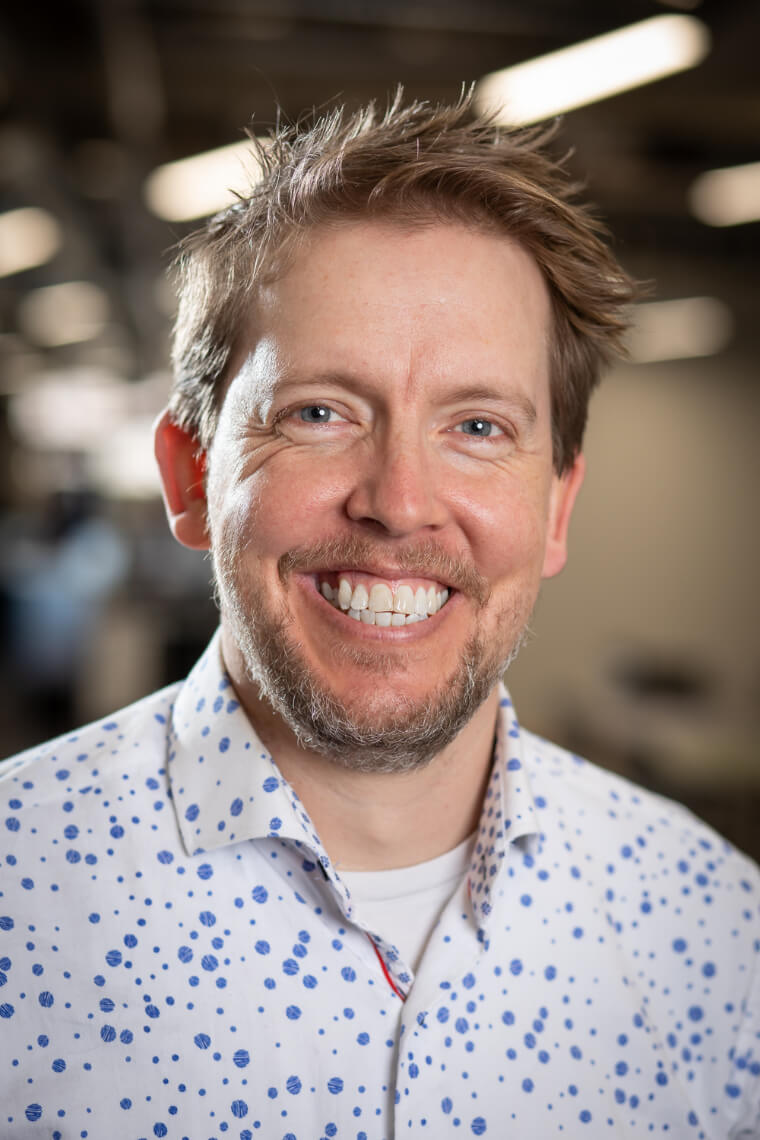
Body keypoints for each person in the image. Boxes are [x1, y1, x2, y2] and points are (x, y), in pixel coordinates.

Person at [1, 94, 758, 1140]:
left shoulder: (716, 932)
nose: (399, 501)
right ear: (190, 477)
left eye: (478, 426)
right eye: (320, 412)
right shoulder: (17, 893)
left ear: (555, 509)